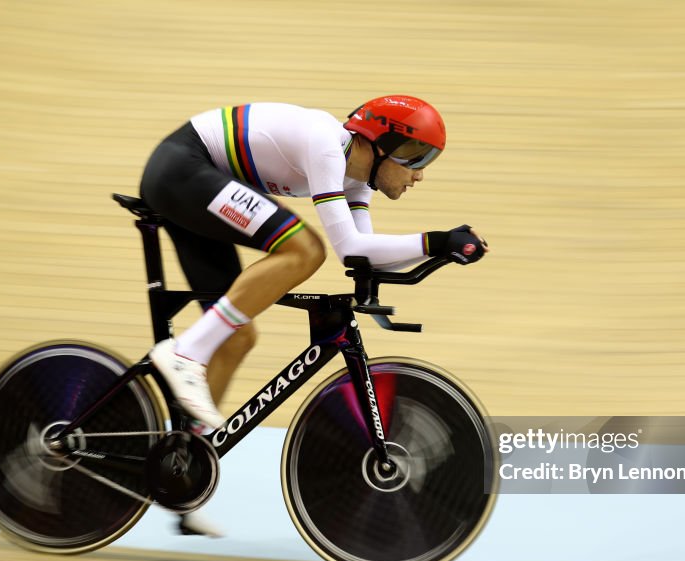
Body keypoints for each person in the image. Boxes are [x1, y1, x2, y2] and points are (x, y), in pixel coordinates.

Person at [138, 95, 488, 535]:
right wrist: (435, 241)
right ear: (382, 145)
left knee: (236, 337)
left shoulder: (356, 181)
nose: (420, 173)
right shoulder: (327, 145)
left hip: (197, 180)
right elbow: (347, 250)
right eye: (417, 157)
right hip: (183, 168)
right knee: (305, 250)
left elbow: (367, 255)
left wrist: (441, 251)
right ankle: (186, 353)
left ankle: (180, 470)